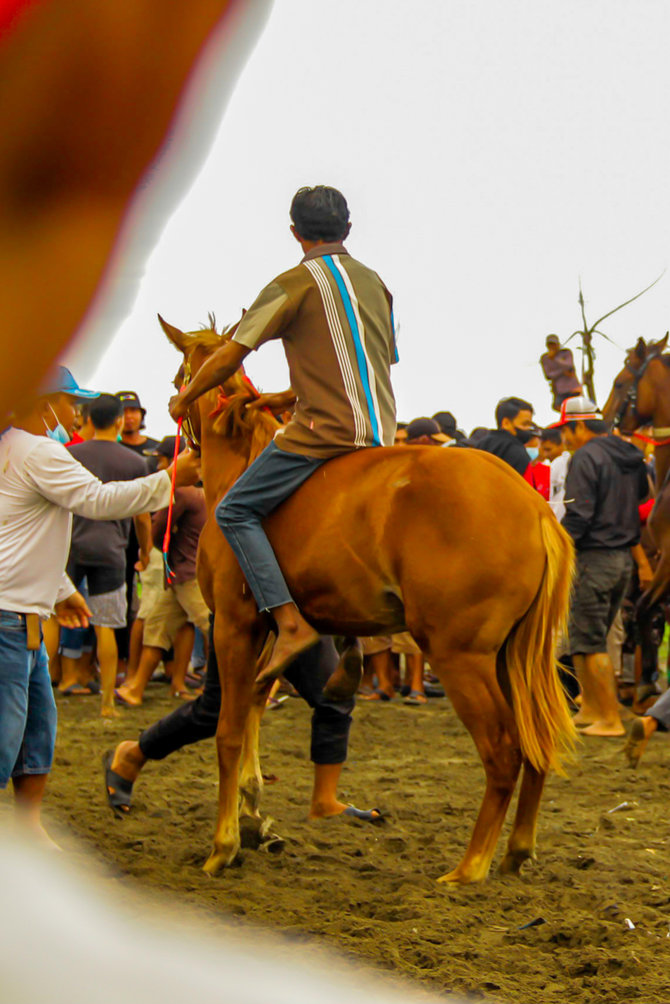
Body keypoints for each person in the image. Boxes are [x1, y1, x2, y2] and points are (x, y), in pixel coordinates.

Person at [169, 185, 398, 684]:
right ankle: (350, 637)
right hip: (381, 432)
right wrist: (285, 396)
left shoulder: (291, 283)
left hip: (322, 434)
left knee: (234, 509)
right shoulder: (378, 285)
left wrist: (186, 399)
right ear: (349, 229)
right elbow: (367, 365)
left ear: (293, 232)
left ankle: (289, 621)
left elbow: (229, 355)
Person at [0, 366, 199, 845]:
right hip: (10, 620)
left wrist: (62, 585)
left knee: (36, 734)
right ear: (42, 402)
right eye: (68, 402)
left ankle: (27, 830)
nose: (74, 413)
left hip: (19, 616)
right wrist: (170, 478)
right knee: (9, 737)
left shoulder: (13, 449)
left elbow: (18, 534)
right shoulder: (38, 450)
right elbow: (97, 500)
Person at [105, 634, 382, 823]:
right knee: (216, 711)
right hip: (243, 603)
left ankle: (324, 802)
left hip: (299, 608)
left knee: (335, 697)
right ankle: (134, 754)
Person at [555, 396, 649, 737]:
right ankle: (591, 709)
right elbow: (642, 497)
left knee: (591, 640)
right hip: (622, 558)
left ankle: (609, 718)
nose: (565, 438)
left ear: (579, 426)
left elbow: (579, 514)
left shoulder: (586, 457)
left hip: (594, 556)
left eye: (567, 430)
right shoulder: (630, 455)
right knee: (584, 637)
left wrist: (557, 549)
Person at [68, 394, 153, 715]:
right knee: (107, 624)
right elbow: (142, 517)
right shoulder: (135, 462)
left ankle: (48, 684)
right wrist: (145, 552)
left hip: (72, 544)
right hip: (112, 549)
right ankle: (106, 703)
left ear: (88, 419)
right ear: (119, 421)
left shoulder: (71, 455)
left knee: (50, 616)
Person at [116, 436, 211, 705]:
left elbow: (159, 532)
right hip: (185, 574)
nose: (158, 467)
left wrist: (154, 548)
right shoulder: (205, 492)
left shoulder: (181, 493)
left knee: (212, 629)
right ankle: (135, 689)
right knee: (158, 630)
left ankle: (224, 690)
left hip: (186, 575)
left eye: (161, 460)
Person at [476, 397, 540, 483]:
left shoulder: (480, 445)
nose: (528, 429)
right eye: (525, 424)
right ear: (506, 423)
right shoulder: (518, 453)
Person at [540, 335, 582, 411]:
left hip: (573, 388)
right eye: (550, 345)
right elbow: (548, 375)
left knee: (578, 408)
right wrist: (562, 372)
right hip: (560, 390)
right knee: (558, 407)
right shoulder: (545, 358)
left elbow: (569, 365)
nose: (552, 346)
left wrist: (555, 359)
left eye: (554, 344)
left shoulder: (566, 353)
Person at [539, 426, 570, 521]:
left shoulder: (562, 462)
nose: (545, 454)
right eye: (543, 450)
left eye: (549, 450)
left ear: (562, 445)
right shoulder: (547, 464)